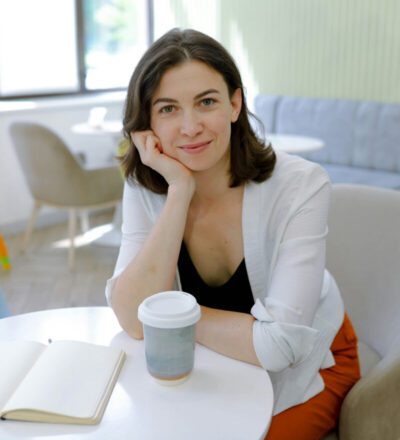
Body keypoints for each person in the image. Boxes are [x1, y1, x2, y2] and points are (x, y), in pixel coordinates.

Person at [105, 28, 360, 439]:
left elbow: (282, 348)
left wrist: (169, 318)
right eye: (168, 109)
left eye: (206, 102)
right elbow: (133, 320)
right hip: (218, 357)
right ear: (147, 123)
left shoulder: (301, 184)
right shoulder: (148, 185)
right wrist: (179, 192)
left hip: (314, 360)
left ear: (235, 104)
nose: (190, 127)